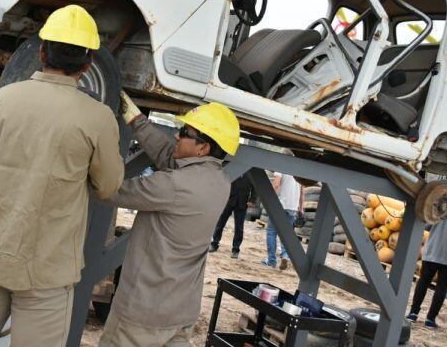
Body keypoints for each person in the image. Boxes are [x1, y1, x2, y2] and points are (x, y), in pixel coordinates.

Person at [0, 5, 124, 347]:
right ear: (88, 65)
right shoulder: (98, 117)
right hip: (47, 268)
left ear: (41, 52)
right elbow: (109, 187)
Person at [98, 94, 239, 346]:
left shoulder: (173, 185)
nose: (176, 135)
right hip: (181, 313)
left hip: (142, 314)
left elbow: (110, 189)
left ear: (202, 148)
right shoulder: (221, 182)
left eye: (184, 132)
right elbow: (168, 157)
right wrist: (137, 121)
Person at [407, 184, 447, 327]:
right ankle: (430, 319)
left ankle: (413, 313)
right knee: (441, 287)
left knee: (423, 282)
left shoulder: (440, 208)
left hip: (431, 252)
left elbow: (426, 226)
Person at [262, 172, 303, 270]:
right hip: (293, 207)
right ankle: (285, 256)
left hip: (280, 205)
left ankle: (271, 261)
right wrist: (301, 207)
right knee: (286, 234)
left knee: (271, 232)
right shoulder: (300, 170)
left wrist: (270, 201)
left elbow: (276, 184)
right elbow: (302, 192)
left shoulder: (281, 167)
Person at [209, 173, 256, 258]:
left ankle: (235, 249)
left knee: (239, 227)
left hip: (242, 202)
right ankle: (214, 244)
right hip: (228, 200)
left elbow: (255, 187)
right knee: (220, 223)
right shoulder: (235, 167)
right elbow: (223, 182)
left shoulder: (251, 172)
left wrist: (252, 200)